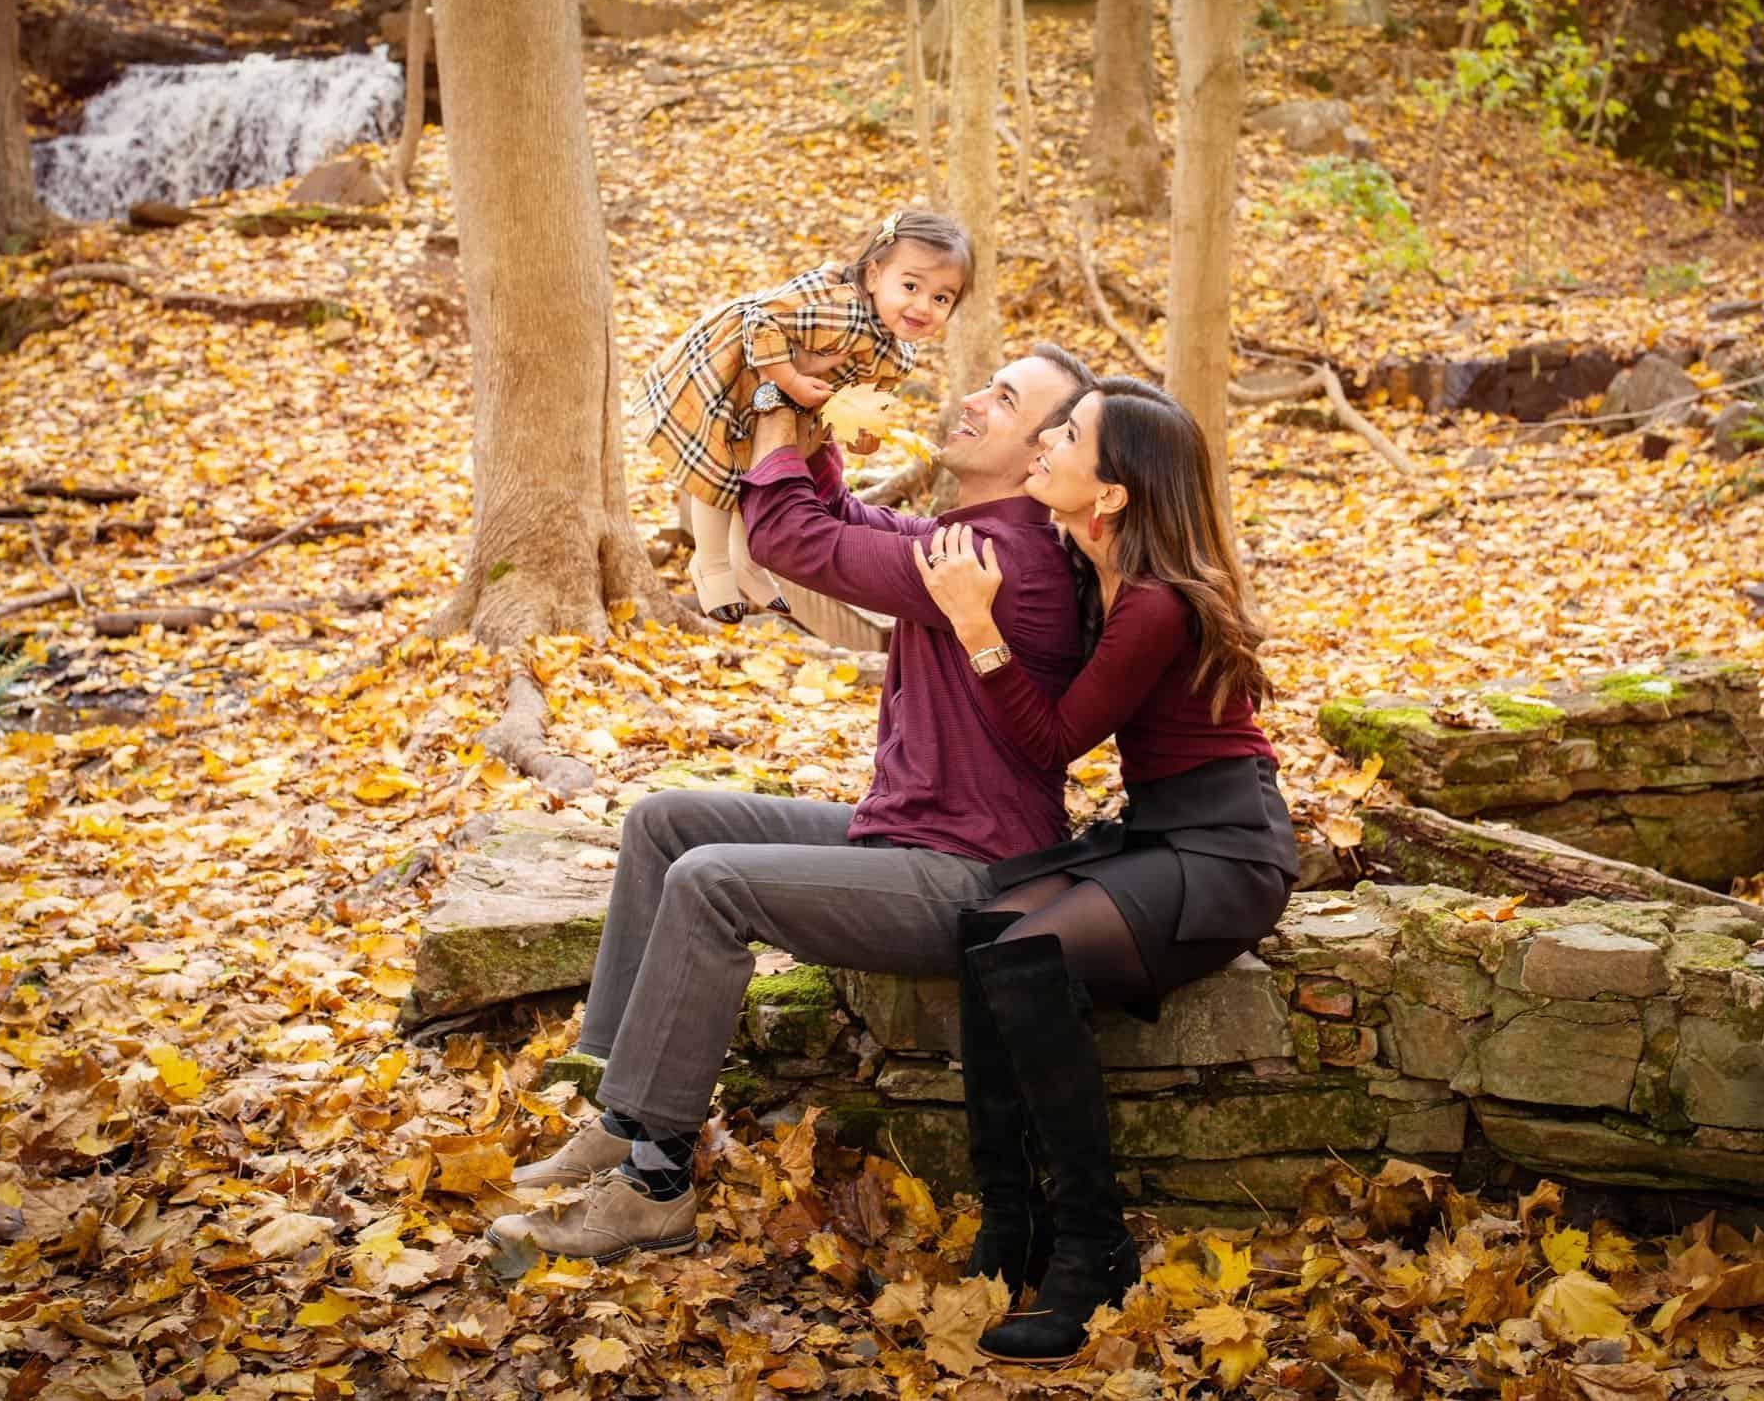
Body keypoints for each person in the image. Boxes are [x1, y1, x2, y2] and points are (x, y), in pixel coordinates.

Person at [483, 344, 1100, 1273]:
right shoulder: (964, 533)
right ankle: (622, 1111)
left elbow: (796, 542)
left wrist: (772, 410)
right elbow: (850, 520)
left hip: (969, 873)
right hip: (907, 829)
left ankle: (653, 1186)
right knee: (667, 823)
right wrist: (812, 436)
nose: (974, 399)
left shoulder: (1003, 556)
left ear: (1042, 453)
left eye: (1004, 399)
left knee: (712, 881)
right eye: (987, 383)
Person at [911, 377, 1300, 1363]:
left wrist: (974, 624)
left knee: (1029, 948)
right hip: (1163, 830)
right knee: (985, 927)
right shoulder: (1111, 571)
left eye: (1069, 433)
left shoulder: (1158, 605)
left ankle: (1093, 1253)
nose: (1044, 438)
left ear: (1114, 491)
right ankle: (1013, 1226)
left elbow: (1053, 742)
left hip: (1224, 848)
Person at [635, 209, 972, 623]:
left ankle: (748, 563)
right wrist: (790, 380)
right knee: (718, 472)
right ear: (872, 276)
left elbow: (860, 400)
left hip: (791, 405)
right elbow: (761, 320)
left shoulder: (897, 352)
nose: (923, 306)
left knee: (757, 480)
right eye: (910, 286)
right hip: (739, 372)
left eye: (941, 298)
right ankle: (710, 563)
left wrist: (861, 433)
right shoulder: (836, 307)